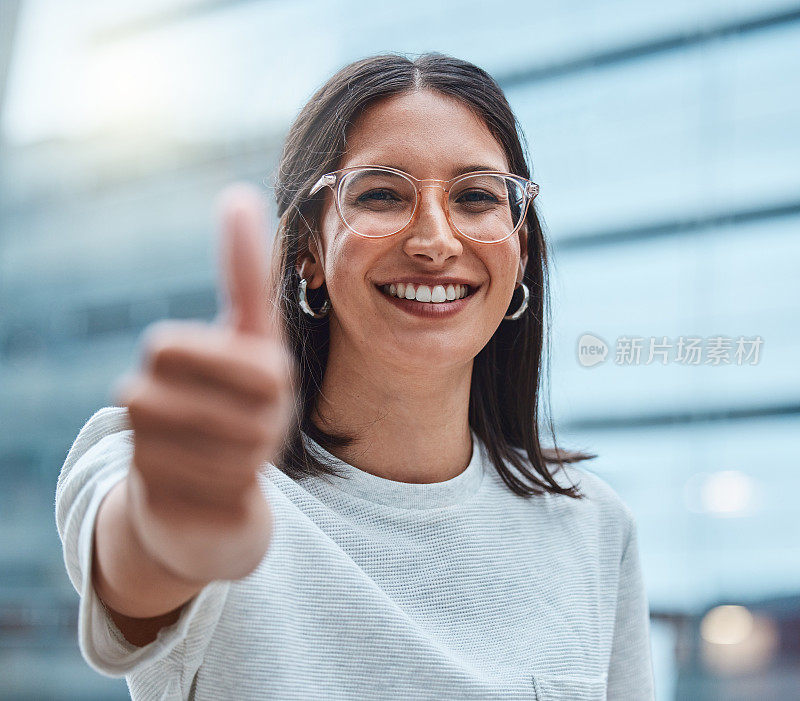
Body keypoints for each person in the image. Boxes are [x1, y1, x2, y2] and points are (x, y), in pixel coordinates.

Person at [55, 52, 656, 700]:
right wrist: (173, 530)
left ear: (521, 248)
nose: (435, 240)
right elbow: (137, 559)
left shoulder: (594, 525)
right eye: (381, 193)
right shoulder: (177, 464)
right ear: (309, 249)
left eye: (477, 197)